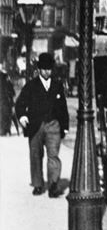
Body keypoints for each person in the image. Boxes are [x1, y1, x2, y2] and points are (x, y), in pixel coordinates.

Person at [14, 53, 69, 197]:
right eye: (44, 69)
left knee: (53, 156)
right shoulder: (31, 86)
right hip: (35, 125)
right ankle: (38, 184)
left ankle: (53, 185)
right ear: (39, 69)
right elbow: (20, 104)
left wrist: (65, 126)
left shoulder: (57, 86)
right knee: (36, 155)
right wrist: (23, 117)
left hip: (53, 125)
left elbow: (63, 107)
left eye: (49, 69)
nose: (47, 72)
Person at [0, 62, 15, 136]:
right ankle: (5, 130)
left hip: (5, 100)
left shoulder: (7, 81)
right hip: (5, 100)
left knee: (6, 115)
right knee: (5, 115)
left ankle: (5, 130)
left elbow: (11, 92)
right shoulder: (6, 80)